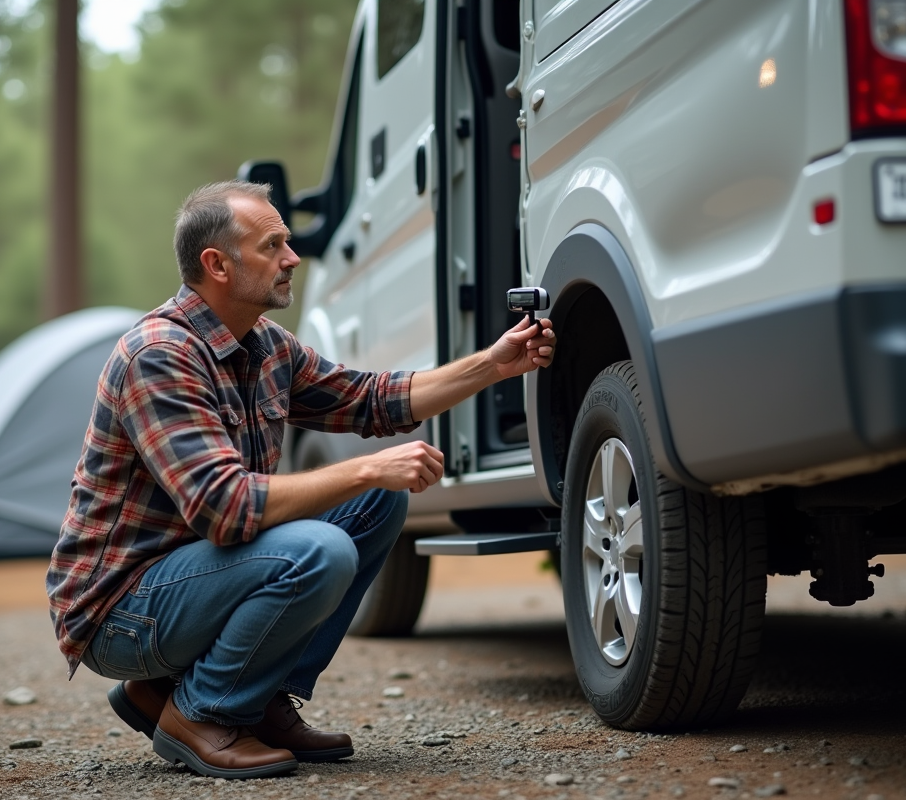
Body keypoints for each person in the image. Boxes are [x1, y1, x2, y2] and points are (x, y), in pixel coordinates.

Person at [46, 180, 556, 780]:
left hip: (197, 577)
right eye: (273, 246)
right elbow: (225, 508)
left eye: (288, 241)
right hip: (122, 612)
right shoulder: (158, 355)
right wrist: (367, 465)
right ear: (217, 265)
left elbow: (374, 399)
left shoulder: (264, 346)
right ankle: (203, 711)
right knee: (319, 550)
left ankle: (254, 702)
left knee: (375, 500)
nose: (292, 258)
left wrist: (493, 364)